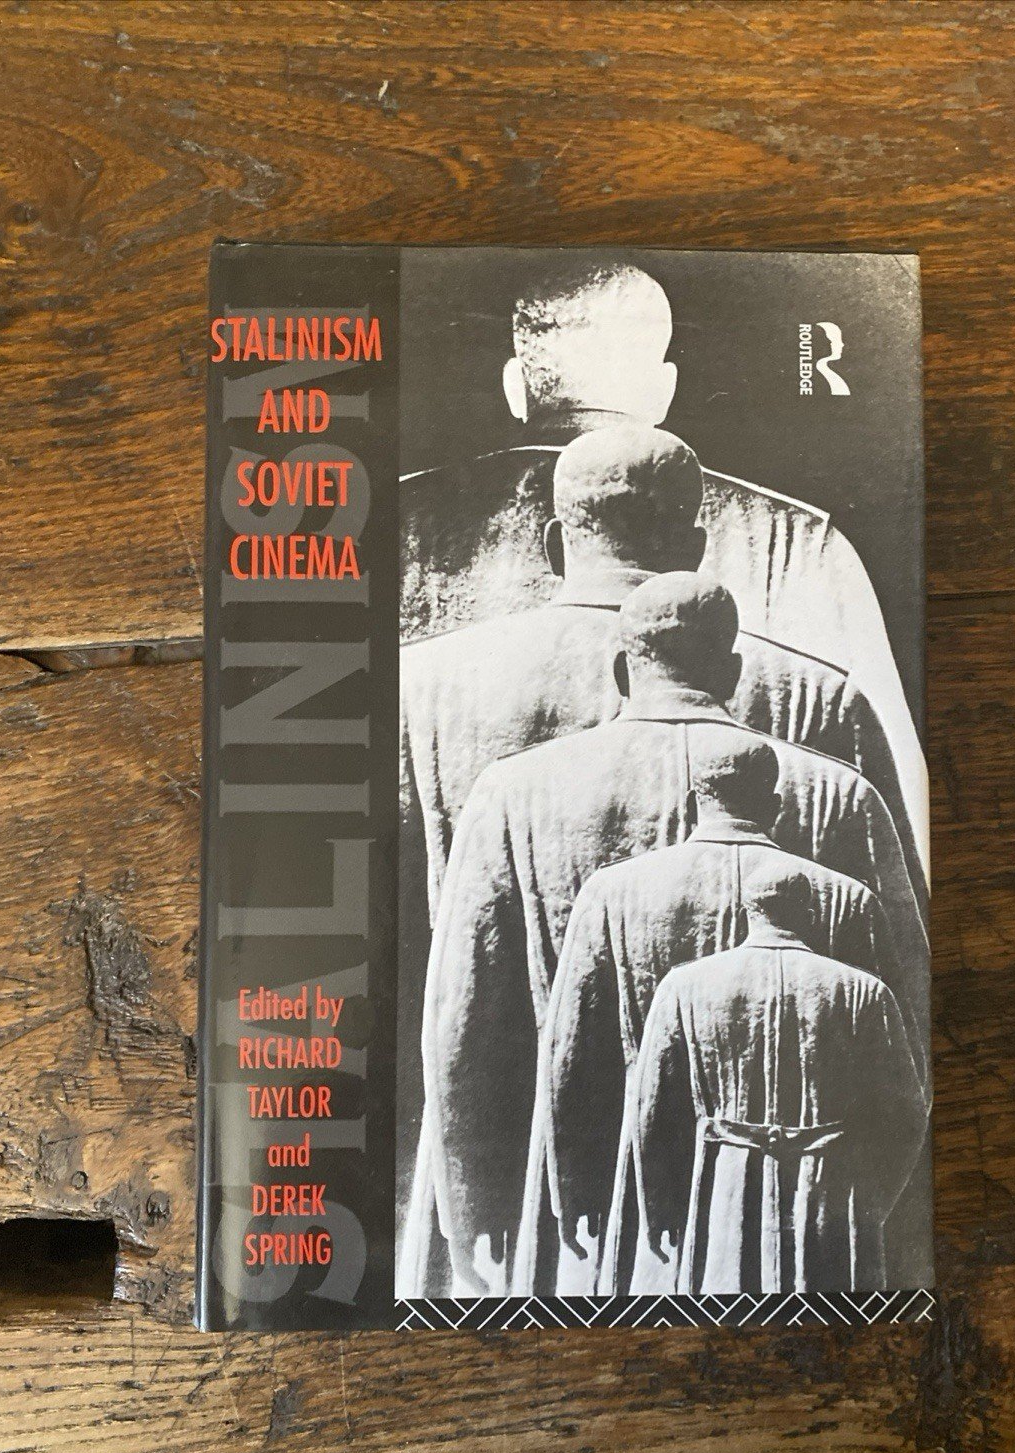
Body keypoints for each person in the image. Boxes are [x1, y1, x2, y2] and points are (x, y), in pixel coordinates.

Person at [397, 426, 922, 1284]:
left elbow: (440, 996)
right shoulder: (822, 701)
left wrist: (470, 1211)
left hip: (527, 1197)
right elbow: (899, 993)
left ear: (555, 542)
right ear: (696, 545)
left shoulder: (424, 687)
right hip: (769, 1207)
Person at [400, 257, 929, 877]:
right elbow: (898, 828)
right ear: (663, 391)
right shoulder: (798, 541)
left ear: (516, 387)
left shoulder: (392, 523)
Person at [515, 729, 926, 1298]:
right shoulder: (849, 899)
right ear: (775, 804)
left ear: (693, 801)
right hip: (818, 1206)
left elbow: (570, 1062)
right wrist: (867, 1200)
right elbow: (900, 1082)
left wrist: (573, 1190)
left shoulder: (611, 893)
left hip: (656, 1191)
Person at [620, 861, 928, 1297]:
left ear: (748, 911)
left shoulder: (683, 986)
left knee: (726, 1307)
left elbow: (651, 1113)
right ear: (810, 912)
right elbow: (907, 1116)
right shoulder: (866, 991)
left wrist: (659, 1211)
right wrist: (870, 1205)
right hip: (830, 1193)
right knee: (829, 1315)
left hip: (726, 1189)